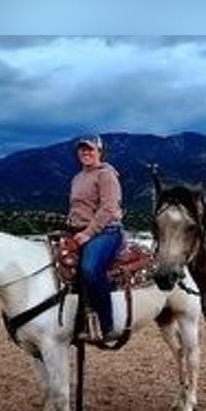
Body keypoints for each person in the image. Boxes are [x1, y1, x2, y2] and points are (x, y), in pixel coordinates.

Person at [66, 134, 124, 341]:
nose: (86, 152)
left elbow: (108, 208)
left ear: (100, 152)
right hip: (80, 230)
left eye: (90, 149)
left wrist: (88, 233)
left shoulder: (106, 175)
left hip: (106, 231)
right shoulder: (77, 177)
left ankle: (106, 324)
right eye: (82, 149)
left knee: (89, 269)